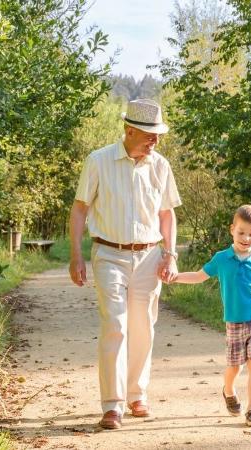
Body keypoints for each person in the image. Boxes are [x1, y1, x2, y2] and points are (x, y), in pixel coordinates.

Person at [68, 98, 181, 430]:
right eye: (149, 135)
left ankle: (136, 394)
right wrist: (76, 254)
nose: (155, 141)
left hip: (149, 256)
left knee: (143, 326)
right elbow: (79, 209)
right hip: (108, 254)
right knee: (115, 325)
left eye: (158, 135)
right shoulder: (99, 161)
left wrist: (170, 253)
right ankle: (112, 404)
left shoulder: (160, 165)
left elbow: (166, 214)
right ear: (129, 131)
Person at [171, 204, 251, 427]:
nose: (246, 238)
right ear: (232, 229)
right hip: (234, 322)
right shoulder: (222, 259)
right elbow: (199, 276)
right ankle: (228, 390)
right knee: (234, 367)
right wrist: (175, 277)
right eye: (241, 232)